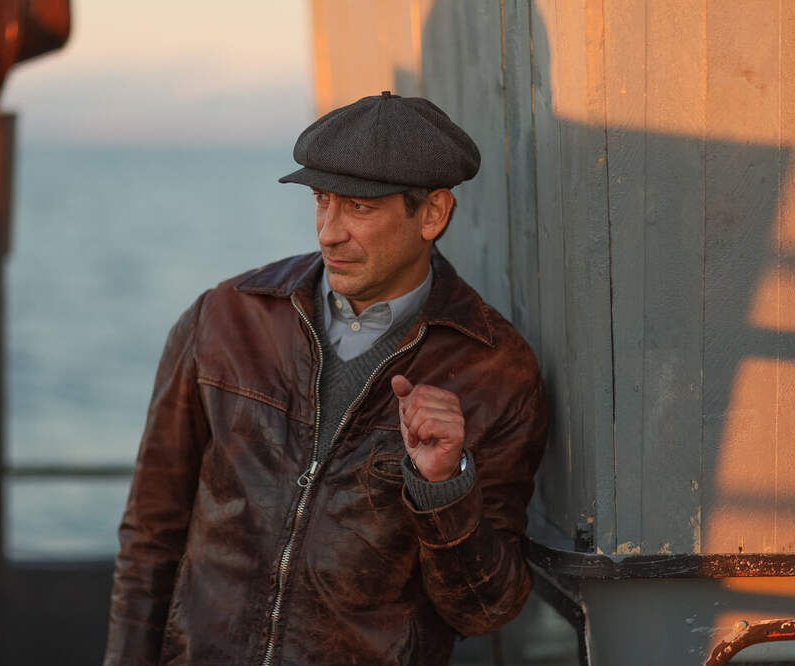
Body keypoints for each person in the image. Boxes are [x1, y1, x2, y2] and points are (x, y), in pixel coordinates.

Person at [103, 91, 548, 666]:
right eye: (321, 201)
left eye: (358, 208)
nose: (329, 232)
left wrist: (443, 487)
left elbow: (485, 612)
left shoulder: (496, 372)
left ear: (432, 214)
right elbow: (150, 537)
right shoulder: (225, 319)